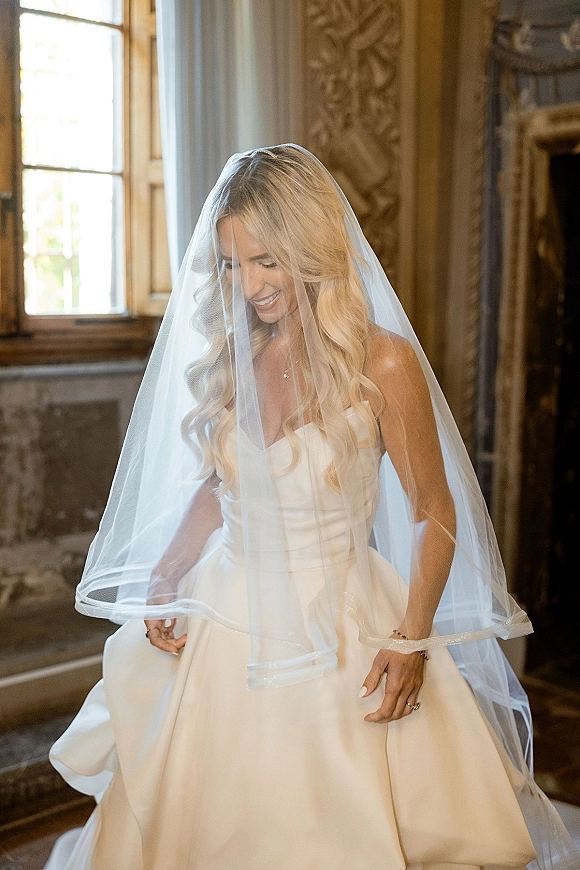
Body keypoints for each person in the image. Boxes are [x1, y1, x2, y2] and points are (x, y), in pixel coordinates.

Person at [46, 145, 578, 870]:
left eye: (266, 260)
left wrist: (413, 637)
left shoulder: (382, 360)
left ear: (312, 244)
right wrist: (167, 574)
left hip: (341, 624)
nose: (250, 285)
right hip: (223, 618)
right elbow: (220, 485)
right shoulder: (238, 353)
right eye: (232, 265)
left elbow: (433, 508)